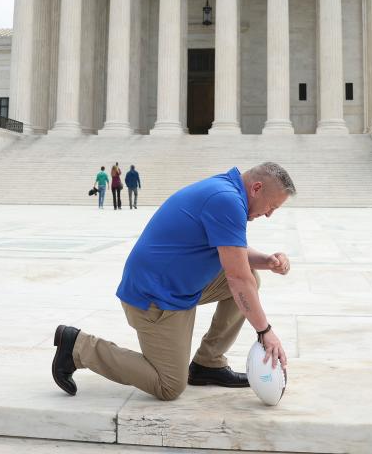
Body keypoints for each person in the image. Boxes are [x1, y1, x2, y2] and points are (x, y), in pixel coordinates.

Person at [51, 162, 296, 401]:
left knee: (252, 276)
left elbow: (233, 252)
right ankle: (78, 347)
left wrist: (267, 260)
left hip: (174, 284)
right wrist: (265, 331)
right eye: (271, 206)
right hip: (154, 298)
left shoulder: (226, 192)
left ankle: (207, 364)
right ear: (256, 188)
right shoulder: (227, 200)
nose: (269, 215)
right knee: (169, 385)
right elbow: (237, 278)